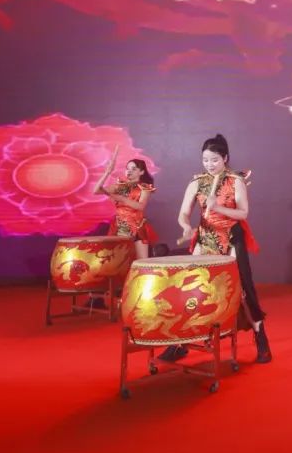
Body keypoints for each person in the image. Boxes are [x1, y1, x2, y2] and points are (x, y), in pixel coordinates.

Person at [161, 134, 271, 364]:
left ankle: (261, 337)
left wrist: (218, 207)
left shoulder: (236, 180)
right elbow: (183, 213)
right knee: (190, 288)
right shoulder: (196, 182)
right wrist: (186, 226)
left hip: (230, 238)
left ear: (225, 158)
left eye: (214, 160)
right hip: (205, 238)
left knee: (243, 288)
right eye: (205, 160)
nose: (209, 165)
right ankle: (180, 343)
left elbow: (243, 213)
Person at [93, 146, 157, 262]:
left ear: (141, 172)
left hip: (137, 227)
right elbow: (96, 191)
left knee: (142, 262)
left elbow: (141, 206)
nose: (129, 171)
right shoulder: (119, 186)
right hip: (119, 228)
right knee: (120, 262)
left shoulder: (144, 187)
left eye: (134, 169)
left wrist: (122, 199)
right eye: (127, 168)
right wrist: (107, 172)